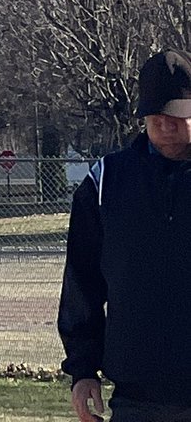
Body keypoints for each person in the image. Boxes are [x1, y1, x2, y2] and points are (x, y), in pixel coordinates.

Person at [58, 49, 191, 422]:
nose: (166, 124)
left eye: (176, 115)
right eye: (156, 115)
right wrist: (83, 370)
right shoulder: (105, 183)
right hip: (136, 398)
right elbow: (81, 284)